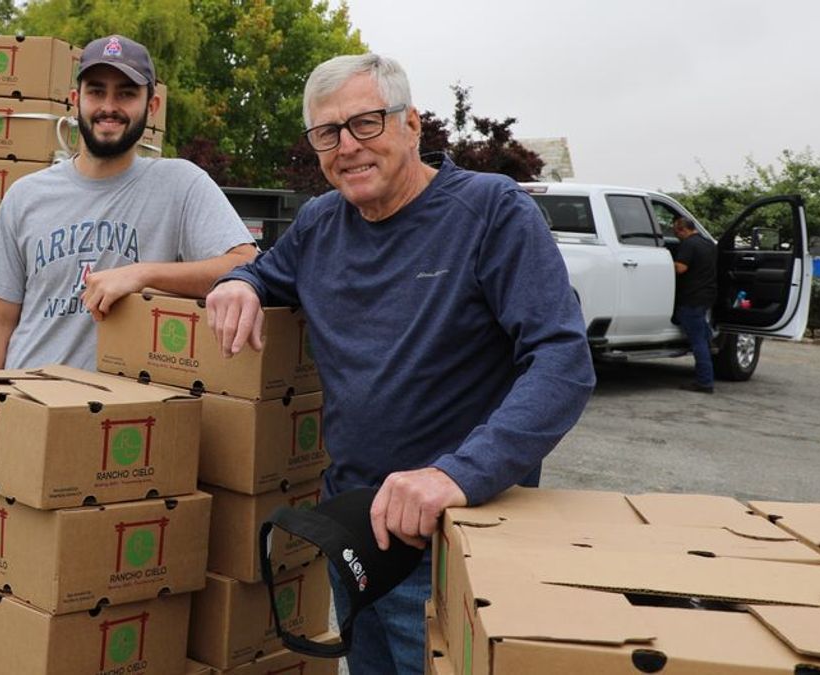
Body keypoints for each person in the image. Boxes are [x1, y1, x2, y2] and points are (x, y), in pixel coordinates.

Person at [205, 54, 595, 674]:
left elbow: (562, 361)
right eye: (326, 134)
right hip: (357, 533)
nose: (347, 147)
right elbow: (262, 270)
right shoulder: (319, 222)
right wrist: (238, 283)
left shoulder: (491, 212)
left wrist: (455, 476)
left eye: (366, 123)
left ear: (412, 124)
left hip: (454, 541)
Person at [0, 34, 257, 370]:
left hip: (126, 415)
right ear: (75, 100)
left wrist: (143, 274)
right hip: (28, 403)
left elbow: (247, 265)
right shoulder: (26, 195)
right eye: (96, 91)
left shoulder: (181, 185)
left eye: (126, 93)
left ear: (152, 106)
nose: (109, 106)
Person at [672, 215, 717, 393]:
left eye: (677, 232)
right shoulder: (708, 244)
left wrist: (667, 262)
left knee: (698, 341)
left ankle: (705, 382)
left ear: (683, 229)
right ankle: (710, 339)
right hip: (707, 295)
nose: (677, 236)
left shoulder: (689, 244)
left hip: (691, 297)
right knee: (702, 333)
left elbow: (681, 268)